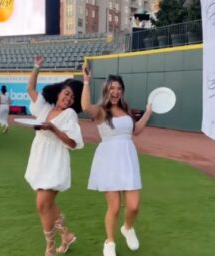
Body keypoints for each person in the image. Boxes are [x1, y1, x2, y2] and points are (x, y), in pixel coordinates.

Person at [81, 64, 153, 256]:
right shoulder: (102, 111)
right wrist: (86, 81)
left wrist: (147, 112)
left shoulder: (126, 111)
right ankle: (109, 242)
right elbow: (85, 106)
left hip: (128, 160)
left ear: (122, 91)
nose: (115, 92)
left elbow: (135, 131)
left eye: (118, 88)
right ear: (106, 90)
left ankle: (127, 228)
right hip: (108, 161)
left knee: (133, 206)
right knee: (113, 207)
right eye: (112, 88)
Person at [25, 55, 84, 256]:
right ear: (59, 92)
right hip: (38, 158)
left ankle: (50, 248)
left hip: (55, 161)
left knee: (42, 204)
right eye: (66, 94)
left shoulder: (70, 115)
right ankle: (66, 235)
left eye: (72, 98)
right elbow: (31, 90)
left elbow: (73, 142)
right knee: (48, 204)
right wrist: (36, 67)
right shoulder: (46, 107)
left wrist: (53, 129)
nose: (68, 99)